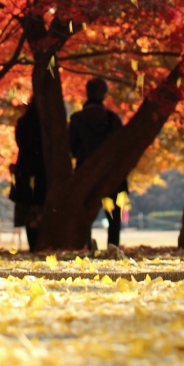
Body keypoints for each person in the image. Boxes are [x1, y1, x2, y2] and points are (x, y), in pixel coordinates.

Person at [68, 77, 124, 246]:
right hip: (111, 175)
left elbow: (71, 148)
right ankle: (112, 248)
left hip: (84, 173)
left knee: (83, 214)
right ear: (104, 94)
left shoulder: (77, 119)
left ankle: (86, 247)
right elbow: (121, 147)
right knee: (113, 216)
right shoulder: (113, 119)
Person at [9, 98, 46, 251]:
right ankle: (40, 244)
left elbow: (20, 143)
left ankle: (33, 244)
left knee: (27, 207)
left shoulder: (23, 123)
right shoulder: (46, 124)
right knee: (41, 205)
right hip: (42, 170)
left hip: (25, 170)